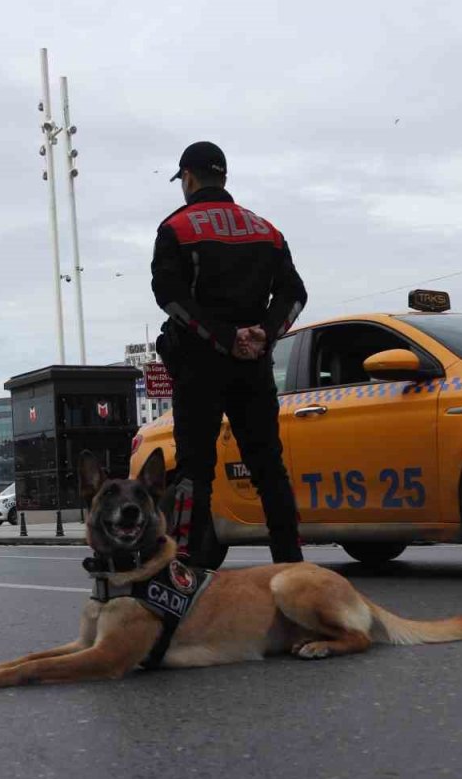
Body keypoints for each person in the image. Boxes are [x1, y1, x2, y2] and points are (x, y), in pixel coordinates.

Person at [152, 141, 307, 566]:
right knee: (268, 466)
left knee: (194, 471)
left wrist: (223, 337)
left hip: (199, 366)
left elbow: (170, 296)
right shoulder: (267, 231)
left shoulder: (177, 228)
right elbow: (294, 294)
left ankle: (186, 568)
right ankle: (291, 564)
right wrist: (264, 334)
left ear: (188, 178)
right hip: (253, 367)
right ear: (223, 177)